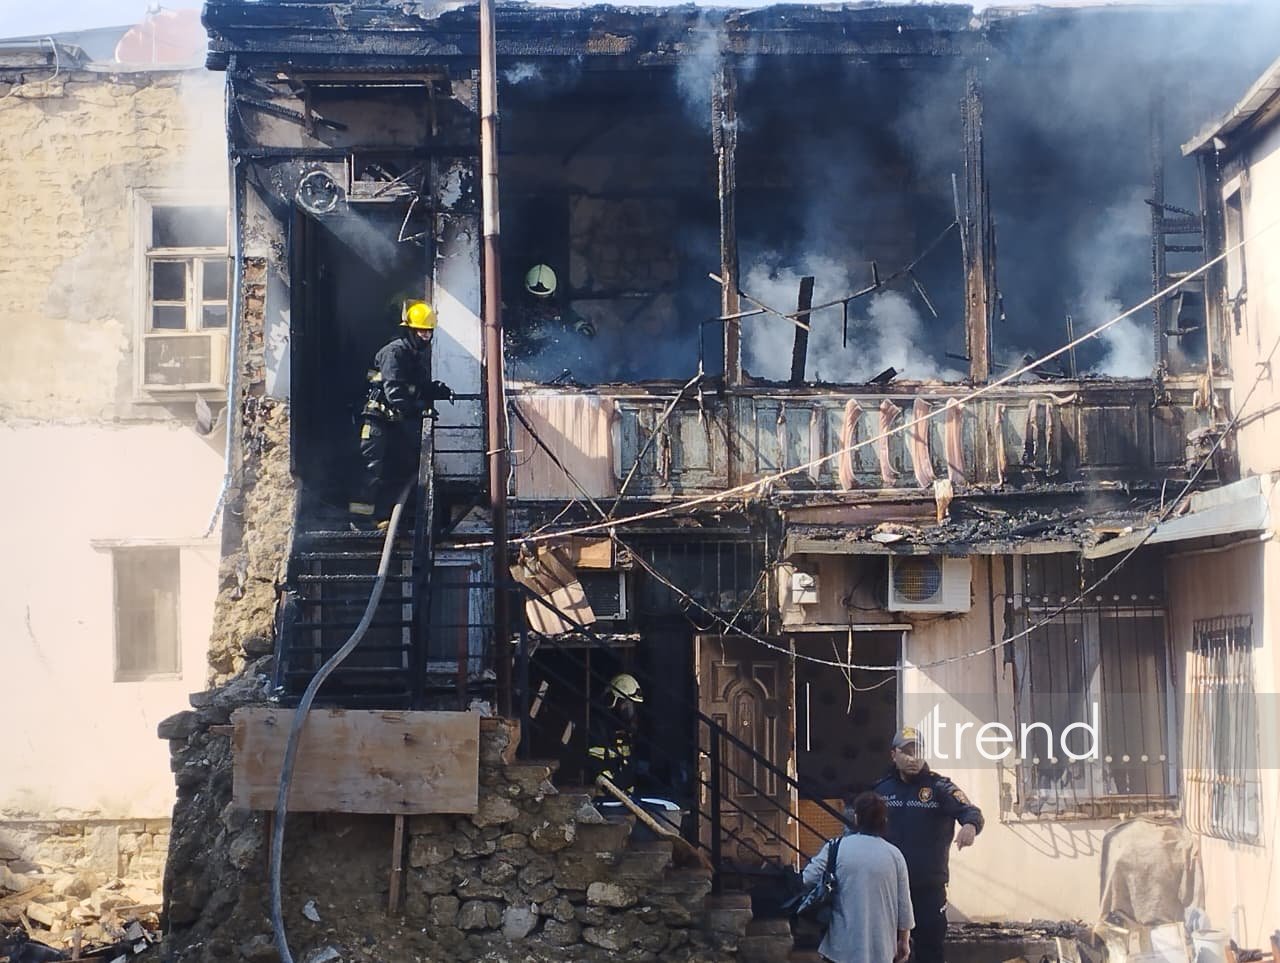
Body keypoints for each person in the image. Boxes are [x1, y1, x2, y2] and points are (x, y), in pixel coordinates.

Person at [874, 727, 983, 963]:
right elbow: (861, 827)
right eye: (907, 751)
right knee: (888, 950)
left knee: (930, 949)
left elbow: (970, 810)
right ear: (894, 754)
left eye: (919, 751)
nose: (914, 758)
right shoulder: (881, 789)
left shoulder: (939, 788)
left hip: (928, 888)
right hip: (889, 888)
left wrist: (970, 826)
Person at [348, 300, 453, 523]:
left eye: (429, 333)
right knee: (371, 469)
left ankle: (386, 518)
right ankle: (359, 522)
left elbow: (415, 386)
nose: (426, 337)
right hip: (376, 421)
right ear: (409, 330)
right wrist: (419, 410)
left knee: (396, 469)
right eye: (421, 332)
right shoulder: (393, 353)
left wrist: (436, 390)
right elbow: (395, 392)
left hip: (393, 422)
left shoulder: (413, 355)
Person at [801, 791, 914, 963]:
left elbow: (807, 878)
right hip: (882, 949)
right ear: (884, 821)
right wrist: (904, 941)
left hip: (840, 948)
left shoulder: (836, 847)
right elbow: (904, 906)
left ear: (856, 818)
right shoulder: (894, 855)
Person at [587, 672, 643, 794]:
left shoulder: (629, 731)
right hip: (605, 797)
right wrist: (609, 786)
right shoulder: (599, 726)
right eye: (626, 703)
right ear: (614, 700)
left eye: (633, 705)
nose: (630, 710)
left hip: (628, 795)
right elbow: (594, 762)